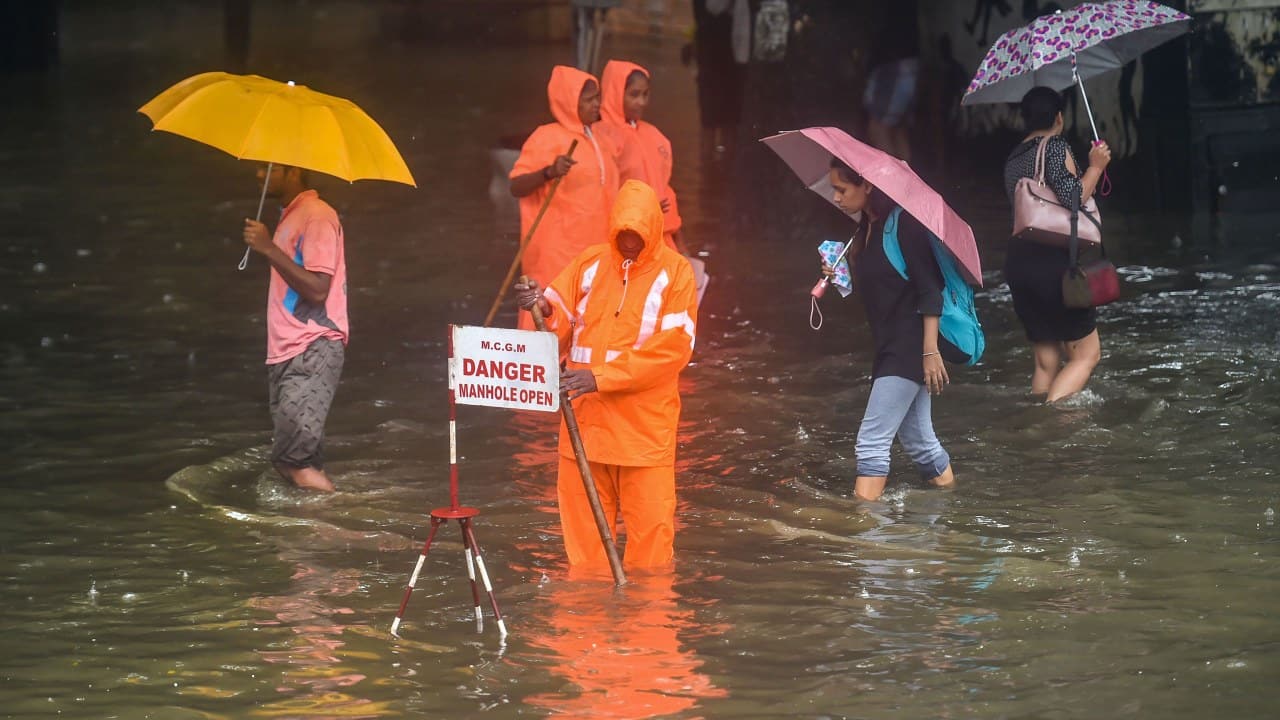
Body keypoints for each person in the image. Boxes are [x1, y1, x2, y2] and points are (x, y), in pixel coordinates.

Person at [513, 180, 698, 568]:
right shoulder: (590, 264)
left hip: (642, 437)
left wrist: (599, 378)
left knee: (651, 552)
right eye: (623, 235)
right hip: (586, 428)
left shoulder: (677, 274)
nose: (629, 243)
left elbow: (673, 350)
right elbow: (555, 325)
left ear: (652, 230)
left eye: (637, 236)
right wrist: (544, 310)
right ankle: (586, 625)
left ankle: (647, 626)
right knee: (585, 554)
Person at [824, 158, 956, 502]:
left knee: (871, 441)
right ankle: (951, 505)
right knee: (919, 442)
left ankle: (864, 532)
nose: (836, 197)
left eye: (842, 189)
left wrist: (930, 352)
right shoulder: (865, 229)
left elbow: (930, 289)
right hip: (888, 344)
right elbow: (881, 289)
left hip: (910, 345)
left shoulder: (905, 225)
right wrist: (839, 273)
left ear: (867, 185)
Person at [242, 164, 347, 493]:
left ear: (293, 171)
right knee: (301, 461)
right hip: (288, 350)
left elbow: (318, 289)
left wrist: (269, 249)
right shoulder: (291, 215)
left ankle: (347, 524)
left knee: (292, 462)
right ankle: (312, 537)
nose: (259, 175)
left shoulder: (317, 215)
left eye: (268, 168)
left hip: (311, 347)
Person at [1003, 87, 1111, 402]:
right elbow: (1073, 197)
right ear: (1059, 117)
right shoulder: (1054, 147)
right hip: (1053, 264)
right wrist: (1096, 166)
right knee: (1085, 355)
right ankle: (1051, 423)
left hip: (1019, 264)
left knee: (1046, 361)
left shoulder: (1013, 158)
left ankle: (1036, 423)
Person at [510, 65, 620, 330]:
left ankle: (579, 369)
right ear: (570, 101)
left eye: (598, 97)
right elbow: (516, 185)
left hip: (597, 251)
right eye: (590, 99)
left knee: (590, 321)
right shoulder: (546, 137)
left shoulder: (602, 139)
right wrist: (549, 171)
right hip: (556, 252)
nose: (598, 104)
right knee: (549, 311)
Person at [599, 59, 685, 253]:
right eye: (634, 95)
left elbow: (665, 192)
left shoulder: (655, 136)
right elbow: (602, 195)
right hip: (621, 240)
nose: (642, 102)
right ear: (615, 93)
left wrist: (680, 244)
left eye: (645, 94)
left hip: (658, 238)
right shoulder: (601, 137)